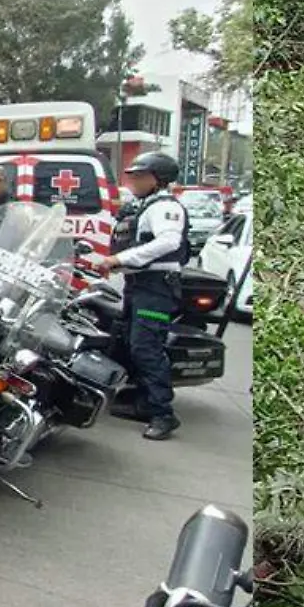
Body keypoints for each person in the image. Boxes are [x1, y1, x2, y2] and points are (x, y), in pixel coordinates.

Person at [96, 151, 191, 440]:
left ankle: (163, 414)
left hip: (156, 288)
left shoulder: (164, 208)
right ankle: (143, 403)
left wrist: (118, 259)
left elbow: (167, 242)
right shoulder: (142, 206)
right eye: (133, 176)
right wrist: (114, 263)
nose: (134, 181)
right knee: (127, 340)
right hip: (139, 285)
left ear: (157, 180)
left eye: (139, 176)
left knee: (146, 347)